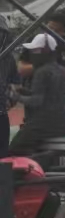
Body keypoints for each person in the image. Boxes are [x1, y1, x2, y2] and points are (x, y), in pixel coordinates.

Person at [9, 34, 65, 166]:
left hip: (44, 124)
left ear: (45, 51)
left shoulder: (42, 72)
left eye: (35, 50)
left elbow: (36, 101)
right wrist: (24, 91)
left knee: (14, 148)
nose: (32, 54)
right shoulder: (62, 71)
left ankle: (37, 164)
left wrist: (16, 96)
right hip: (61, 124)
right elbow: (48, 96)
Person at [0, 14, 18, 157]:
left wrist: (11, 98)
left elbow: (15, 82)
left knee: (3, 155)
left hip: (1, 114)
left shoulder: (8, 58)